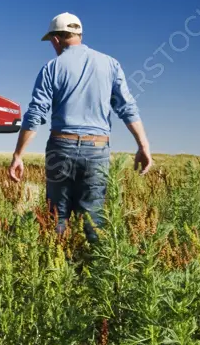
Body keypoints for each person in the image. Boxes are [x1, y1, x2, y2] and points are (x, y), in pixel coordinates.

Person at [8, 13, 153, 242]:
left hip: (60, 148)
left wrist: (18, 155)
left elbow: (35, 114)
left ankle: (57, 267)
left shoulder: (51, 68)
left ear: (56, 39)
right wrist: (143, 145)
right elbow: (127, 108)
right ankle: (93, 269)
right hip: (97, 149)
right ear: (79, 35)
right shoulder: (110, 64)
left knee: (56, 217)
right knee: (95, 220)